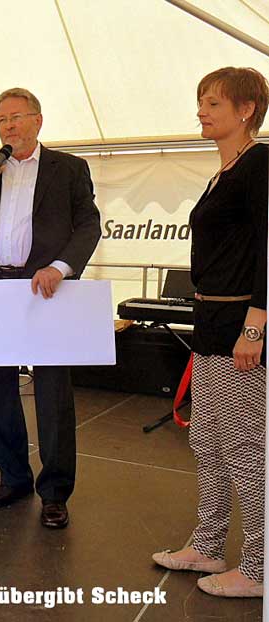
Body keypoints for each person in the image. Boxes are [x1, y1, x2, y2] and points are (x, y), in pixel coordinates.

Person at [0, 88, 101, 528]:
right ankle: (13, 477)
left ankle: (55, 492)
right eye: (1, 119)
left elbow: (89, 225)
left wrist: (61, 267)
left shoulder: (68, 168)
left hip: (45, 289)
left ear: (37, 120)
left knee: (52, 393)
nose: (9, 126)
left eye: (16, 117)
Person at [152, 67, 268, 597]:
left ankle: (260, 567)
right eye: (201, 101)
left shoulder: (261, 163)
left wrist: (255, 326)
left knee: (243, 445)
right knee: (206, 438)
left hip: (240, 324)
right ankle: (207, 543)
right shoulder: (224, 172)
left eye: (214, 103)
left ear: (246, 110)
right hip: (211, 322)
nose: (201, 110)